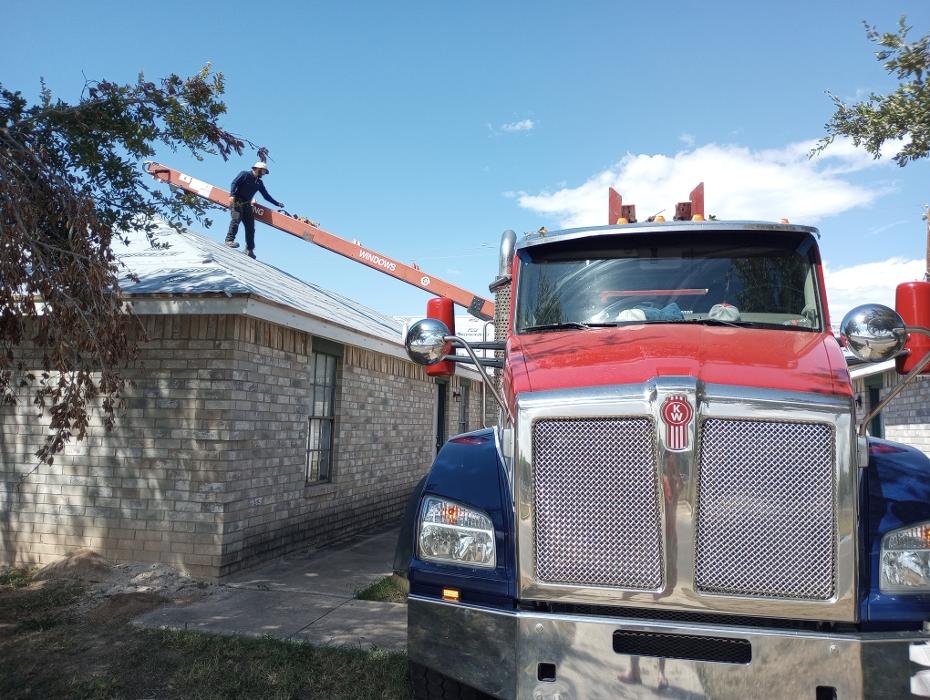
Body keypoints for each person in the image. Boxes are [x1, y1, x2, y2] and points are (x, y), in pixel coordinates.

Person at [225, 161, 284, 259]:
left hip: (247, 204)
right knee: (236, 220)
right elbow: (234, 183)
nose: (264, 174)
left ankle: (249, 249)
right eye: (264, 171)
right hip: (237, 201)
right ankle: (229, 240)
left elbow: (266, 196)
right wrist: (231, 195)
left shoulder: (259, 182)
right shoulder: (244, 174)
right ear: (258, 169)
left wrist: (277, 203)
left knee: (251, 227)